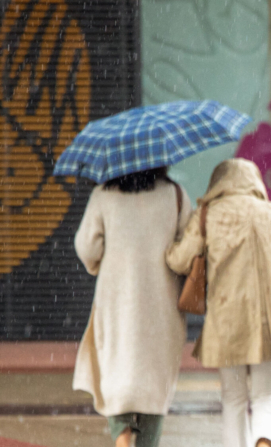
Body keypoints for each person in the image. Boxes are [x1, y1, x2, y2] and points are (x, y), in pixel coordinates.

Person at [166, 159, 271, 447]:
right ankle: (266, 442)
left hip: (228, 316)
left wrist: (170, 246)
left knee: (233, 398)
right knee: (266, 394)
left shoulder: (208, 215)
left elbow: (180, 261)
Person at [73, 167, 191, 447]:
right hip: (162, 301)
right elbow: (188, 248)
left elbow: (87, 248)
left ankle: (122, 436)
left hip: (117, 299)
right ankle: (148, 440)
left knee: (117, 368)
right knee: (154, 376)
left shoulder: (103, 196)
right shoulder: (174, 195)